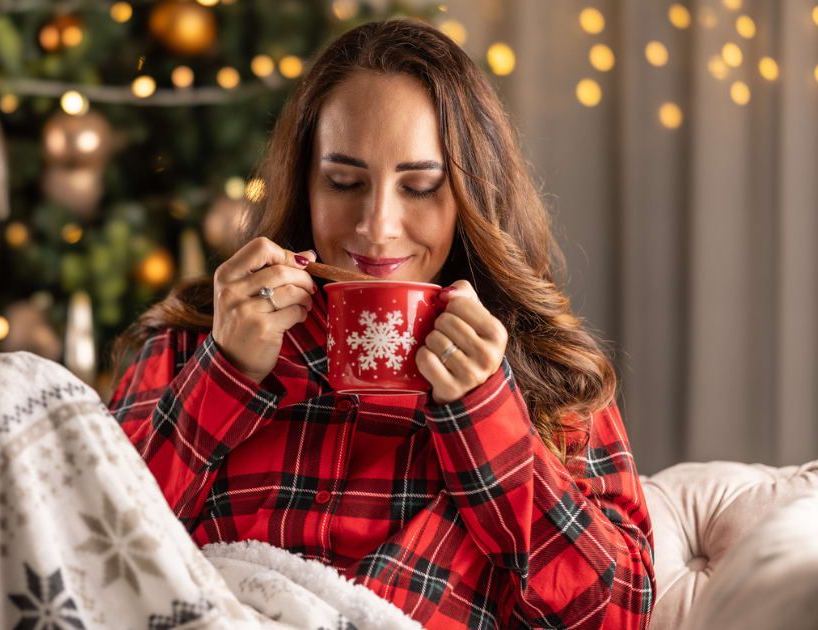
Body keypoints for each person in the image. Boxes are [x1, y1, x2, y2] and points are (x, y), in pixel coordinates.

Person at [108, 17, 655, 630]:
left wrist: (485, 415)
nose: (377, 228)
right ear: (304, 184)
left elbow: (617, 612)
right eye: (343, 182)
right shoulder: (193, 343)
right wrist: (226, 375)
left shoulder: (545, 374)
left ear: (473, 196)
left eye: (419, 187)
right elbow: (82, 554)